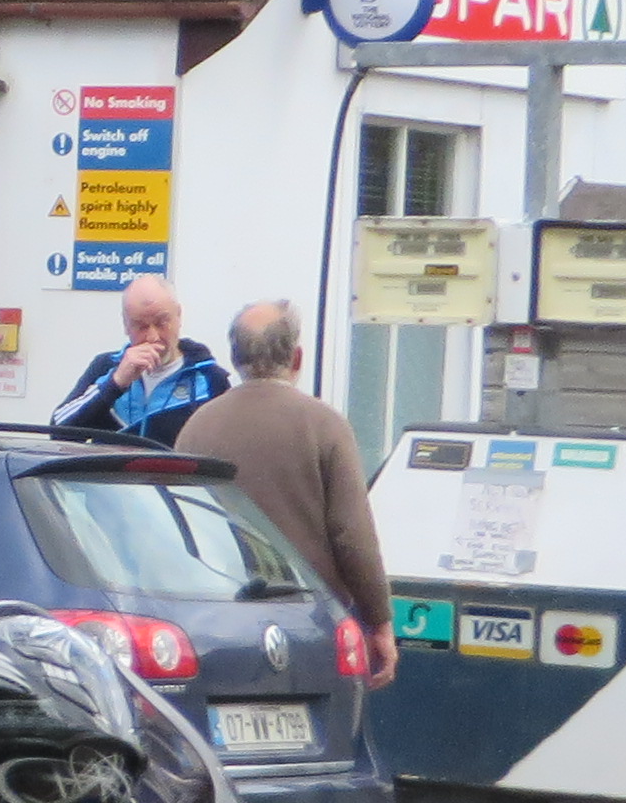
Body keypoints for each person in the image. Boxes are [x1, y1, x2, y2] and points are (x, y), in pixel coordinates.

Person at [177, 300, 397, 684]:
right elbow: (352, 536)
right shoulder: (326, 426)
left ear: (235, 357)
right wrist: (379, 620)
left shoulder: (197, 428)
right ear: (297, 357)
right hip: (312, 625)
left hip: (217, 625)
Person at [49, 275, 229, 447]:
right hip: (112, 470)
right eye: (140, 326)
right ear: (126, 325)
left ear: (179, 316)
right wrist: (115, 383)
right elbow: (59, 433)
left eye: (161, 322)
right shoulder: (105, 367)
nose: (153, 337)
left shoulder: (209, 378)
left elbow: (224, 447)